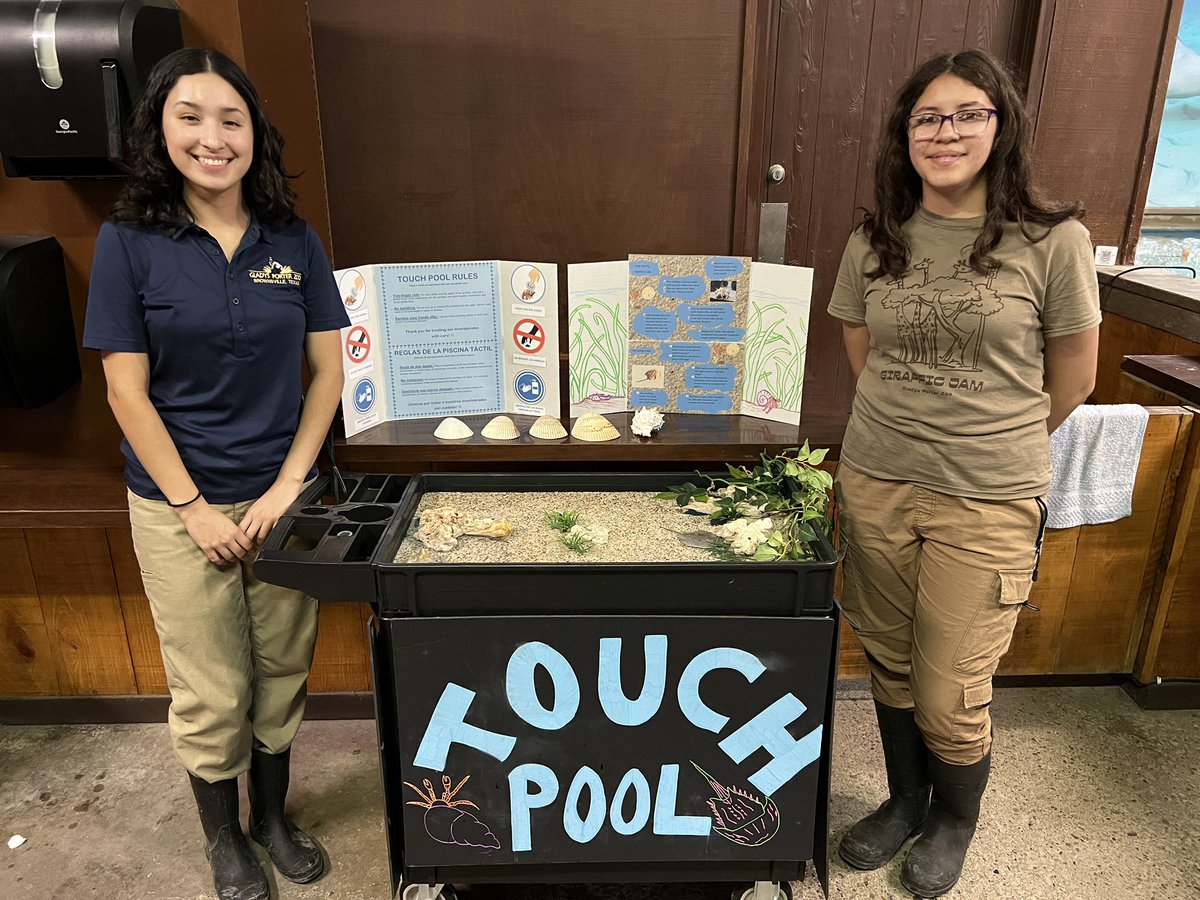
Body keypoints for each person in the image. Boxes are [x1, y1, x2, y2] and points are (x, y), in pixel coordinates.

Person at [828, 49, 1100, 898]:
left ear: (1001, 125)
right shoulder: (875, 237)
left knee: (951, 690)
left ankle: (955, 817)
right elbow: (862, 352)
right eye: (927, 118)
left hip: (986, 496)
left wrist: (986, 439)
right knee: (891, 660)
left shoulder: (1053, 239)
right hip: (876, 480)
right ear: (904, 135)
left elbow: (1076, 376)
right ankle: (906, 801)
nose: (946, 132)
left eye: (967, 114)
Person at [82, 48, 348, 900]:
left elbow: (330, 374)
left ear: (253, 133)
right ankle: (225, 838)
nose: (212, 136)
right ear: (160, 131)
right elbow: (124, 389)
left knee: (281, 668)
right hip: (176, 506)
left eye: (230, 118)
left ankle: (272, 818)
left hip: (283, 497)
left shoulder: (292, 239)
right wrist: (194, 506)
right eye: (189, 117)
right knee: (211, 686)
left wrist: (285, 487)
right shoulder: (129, 243)